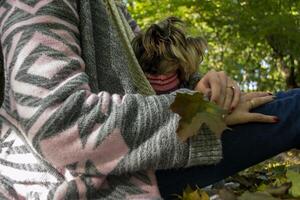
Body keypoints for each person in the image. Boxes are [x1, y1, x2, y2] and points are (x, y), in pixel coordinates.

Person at [0, 1, 299, 199]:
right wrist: (200, 113)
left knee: (286, 105)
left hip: (141, 148)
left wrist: (207, 86)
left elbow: (143, 65)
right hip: (86, 180)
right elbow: (60, 126)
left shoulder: (112, 6)